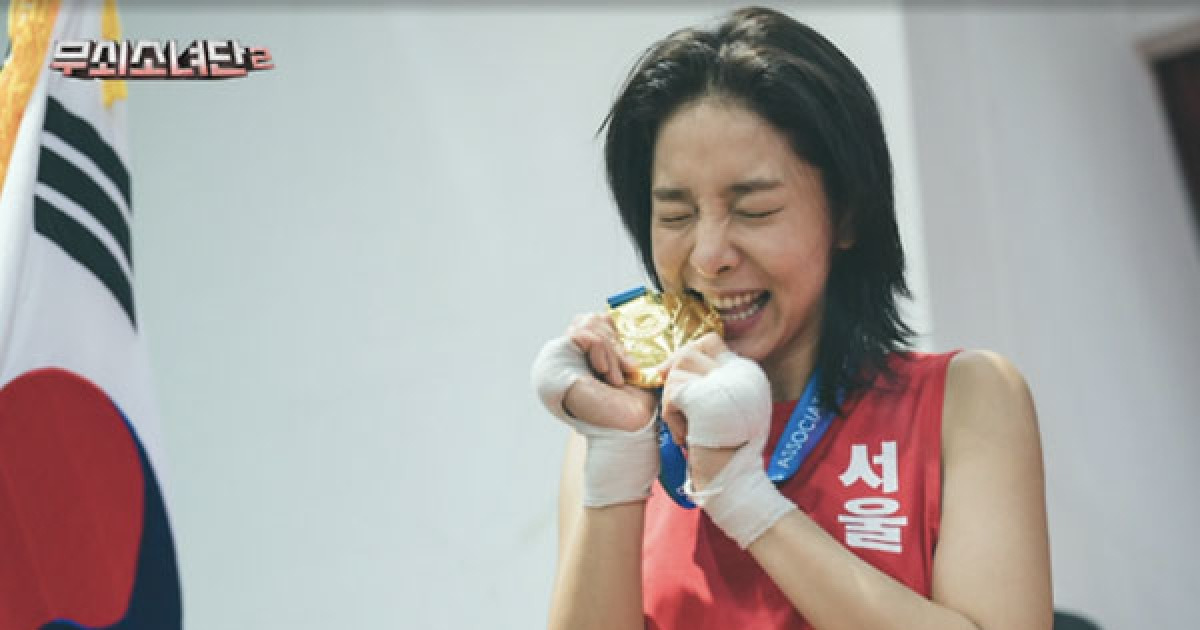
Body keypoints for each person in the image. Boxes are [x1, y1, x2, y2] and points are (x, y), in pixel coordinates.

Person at [530, 6, 1052, 630]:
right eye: (676, 215)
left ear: (847, 215)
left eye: (754, 210)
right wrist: (617, 450)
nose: (709, 256)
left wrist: (747, 501)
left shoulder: (969, 399)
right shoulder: (623, 428)